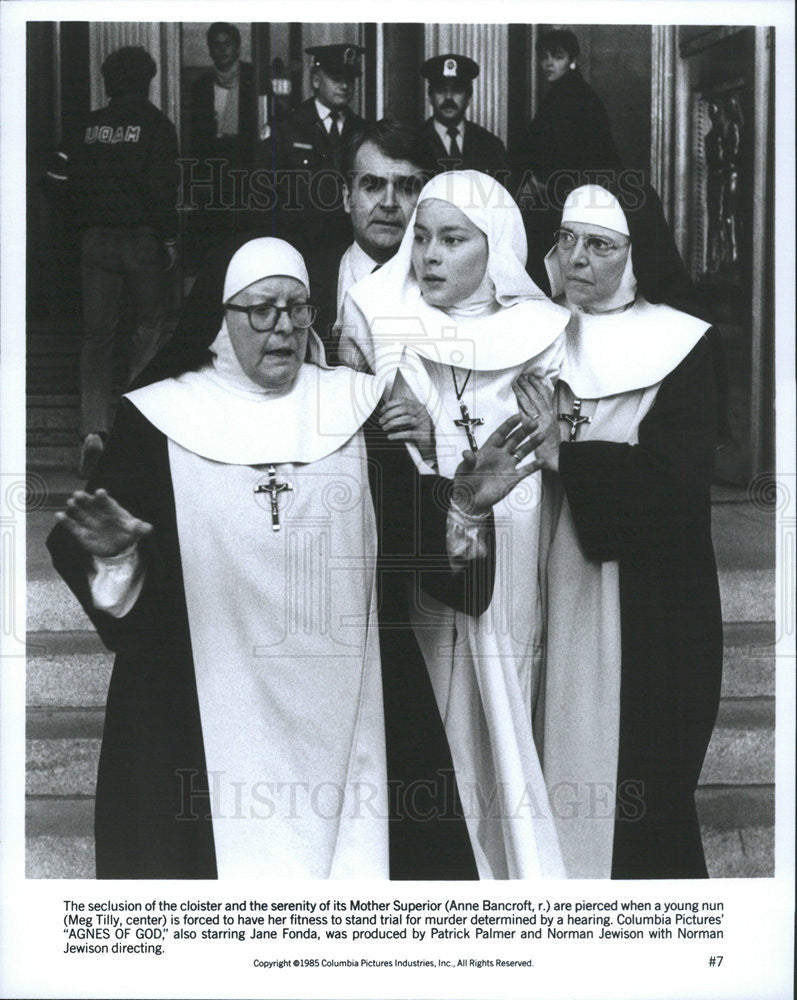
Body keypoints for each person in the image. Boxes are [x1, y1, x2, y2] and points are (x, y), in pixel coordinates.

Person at [46, 237, 544, 880]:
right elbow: (109, 562)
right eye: (261, 310)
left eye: (298, 308)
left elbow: (425, 555)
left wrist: (467, 505)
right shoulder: (160, 419)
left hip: (353, 708)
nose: (282, 325)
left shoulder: (355, 408)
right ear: (221, 319)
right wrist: (120, 560)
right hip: (208, 713)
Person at [338, 171, 570, 879]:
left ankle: (509, 864)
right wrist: (385, 418)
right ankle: (448, 864)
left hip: (518, 527)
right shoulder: (380, 318)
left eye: (451, 238)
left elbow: (572, 429)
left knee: (506, 682)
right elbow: (356, 427)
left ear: (494, 248)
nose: (427, 254)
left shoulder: (546, 332)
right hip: (431, 534)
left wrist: (561, 425)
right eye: (423, 237)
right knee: (433, 690)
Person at [515, 184, 723, 879]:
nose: (576, 258)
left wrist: (565, 459)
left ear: (635, 259)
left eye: (599, 245)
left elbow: (675, 491)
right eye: (566, 240)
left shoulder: (681, 346)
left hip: (633, 608)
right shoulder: (525, 337)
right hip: (535, 588)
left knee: (628, 794)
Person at [42, 45, 179, 478]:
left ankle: (93, 432)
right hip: (142, 241)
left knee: (97, 339)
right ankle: (134, 432)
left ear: (108, 83)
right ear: (148, 82)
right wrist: (170, 236)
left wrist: (81, 217)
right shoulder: (158, 127)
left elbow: (53, 182)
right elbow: (161, 192)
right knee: (148, 331)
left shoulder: (86, 127)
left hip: (95, 241)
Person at [273, 44, 367, 249]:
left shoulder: (363, 130)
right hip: (299, 243)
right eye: (336, 78)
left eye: (349, 79)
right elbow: (267, 194)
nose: (344, 86)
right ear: (316, 80)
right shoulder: (287, 126)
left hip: (349, 244)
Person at [420, 55, 510, 178]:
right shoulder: (415, 141)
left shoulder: (490, 145)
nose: (448, 98)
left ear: (468, 98)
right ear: (430, 97)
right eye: (441, 90)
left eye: (457, 91)